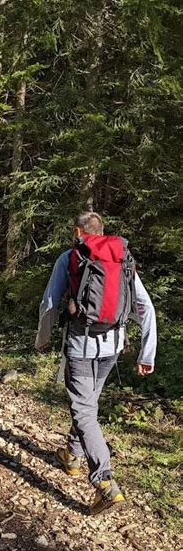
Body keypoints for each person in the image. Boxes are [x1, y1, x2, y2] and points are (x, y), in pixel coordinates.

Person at [35, 211, 157, 515]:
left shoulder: (71, 256)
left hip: (81, 345)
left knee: (84, 410)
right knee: (88, 405)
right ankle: (72, 456)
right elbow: (145, 305)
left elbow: (50, 302)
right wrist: (147, 353)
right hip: (113, 346)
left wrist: (42, 338)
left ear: (78, 231)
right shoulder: (122, 258)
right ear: (102, 231)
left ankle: (105, 483)